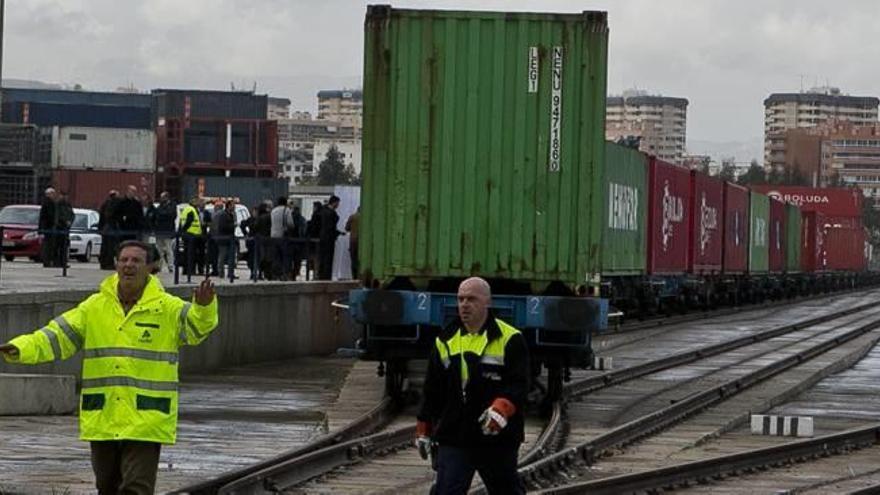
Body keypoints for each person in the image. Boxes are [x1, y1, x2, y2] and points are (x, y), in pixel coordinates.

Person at [0, 240, 219, 494]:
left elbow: (196, 329)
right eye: (124, 260)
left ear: (151, 268)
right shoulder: (94, 307)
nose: (128, 265)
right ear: (115, 264)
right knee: (106, 486)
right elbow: (56, 336)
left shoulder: (167, 309)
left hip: (145, 419)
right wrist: (19, 348)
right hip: (104, 415)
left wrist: (203, 308)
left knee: (136, 487)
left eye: (136, 261)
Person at [416, 277, 529, 495]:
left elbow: (519, 384)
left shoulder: (510, 339)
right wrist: (424, 426)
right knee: (447, 490)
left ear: (487, 302)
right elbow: (433, 389)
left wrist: (501, 409)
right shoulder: (445, 341)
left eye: (472, 299)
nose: (464, 305)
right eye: (460, 299)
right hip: (455, 435)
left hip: (497, 438)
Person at [317, 195, 344, 280]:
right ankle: (326, 276)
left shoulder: (323, 211)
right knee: (328, 258)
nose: (338, 205)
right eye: (338, 203)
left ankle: (321, 275)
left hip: (322, 237)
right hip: (329, 238)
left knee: (322, 257)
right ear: (334, 202)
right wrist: (338, 233)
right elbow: (331, 227)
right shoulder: (331, 213)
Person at [270, 197, 294, 280]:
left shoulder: (273, 211)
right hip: (283, 236)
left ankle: (276, 274)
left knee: (276, 257)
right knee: (285, 256)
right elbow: (290, 223)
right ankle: (285, 274)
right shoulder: (287, 210)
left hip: (273, 236)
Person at [179, 197, 204, 276]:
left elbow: (181, 222)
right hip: (192, 235)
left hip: (187, 235)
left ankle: (186, 270)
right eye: (197, 201)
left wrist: (181, 232)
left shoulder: (186, 209)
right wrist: (185, 231)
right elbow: (189, 222)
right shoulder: (192, 210)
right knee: (191, 254)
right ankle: (191, 271)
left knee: (186, 253)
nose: (198, 203)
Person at [153, 192, 177, 273]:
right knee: (159, 250)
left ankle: (170, 266)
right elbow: (156, 214)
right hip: (159, 231)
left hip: (168, 231)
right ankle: (160, 266)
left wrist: (162, 215)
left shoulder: (172, 205)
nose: (161, 199)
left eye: (162, 197)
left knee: (169, 249)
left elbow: (171, 215)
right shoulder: (160, 206)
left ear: (167, 197)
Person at [98, 190, 121, 270]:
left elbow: (101, 217)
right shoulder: (113, 204)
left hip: (106, 228)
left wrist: (100, 228)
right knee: (110, 247)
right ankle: (108, 263)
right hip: (111, 228)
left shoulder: (105, 204)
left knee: (105, 246)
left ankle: (104, 263)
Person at [215, 200, 237, 279]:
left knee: (231, 257)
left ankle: (230, 273)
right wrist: (233, 225)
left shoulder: (232, 214)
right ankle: (221, 273)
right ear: (228, 206)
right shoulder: (223, 215)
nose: (234, 207)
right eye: (233, 205)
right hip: (223, 239)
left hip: (230, 239)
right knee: (222, 257)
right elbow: (223, 227)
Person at [54, 191, 74, 268]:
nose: (65, 197)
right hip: (59, 228)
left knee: (64, 247)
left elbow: (72, 215)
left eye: (66, 196)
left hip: (66, 229)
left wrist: (70, 222)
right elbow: (57, 216)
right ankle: (57, 262)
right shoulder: (58, 204)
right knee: (57, 246)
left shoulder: (68, 205)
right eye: (63, 196)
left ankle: (63, 262)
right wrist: (64, 221)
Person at [39, 187, 58, 267]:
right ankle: (47, 261)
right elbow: (48, 216)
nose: (54, 195)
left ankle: (48, 261)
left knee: (48, 245)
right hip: (48, 227)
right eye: (53, 193)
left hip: (46, 227)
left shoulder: (47, 202)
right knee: (48, 246)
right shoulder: (48, 203)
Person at [345, 206, 360, 279]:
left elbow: (347, 228)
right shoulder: (367, 218)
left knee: (353, 259)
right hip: (363, 242)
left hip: (353, 241)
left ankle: (354, 277)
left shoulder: (352, 217)